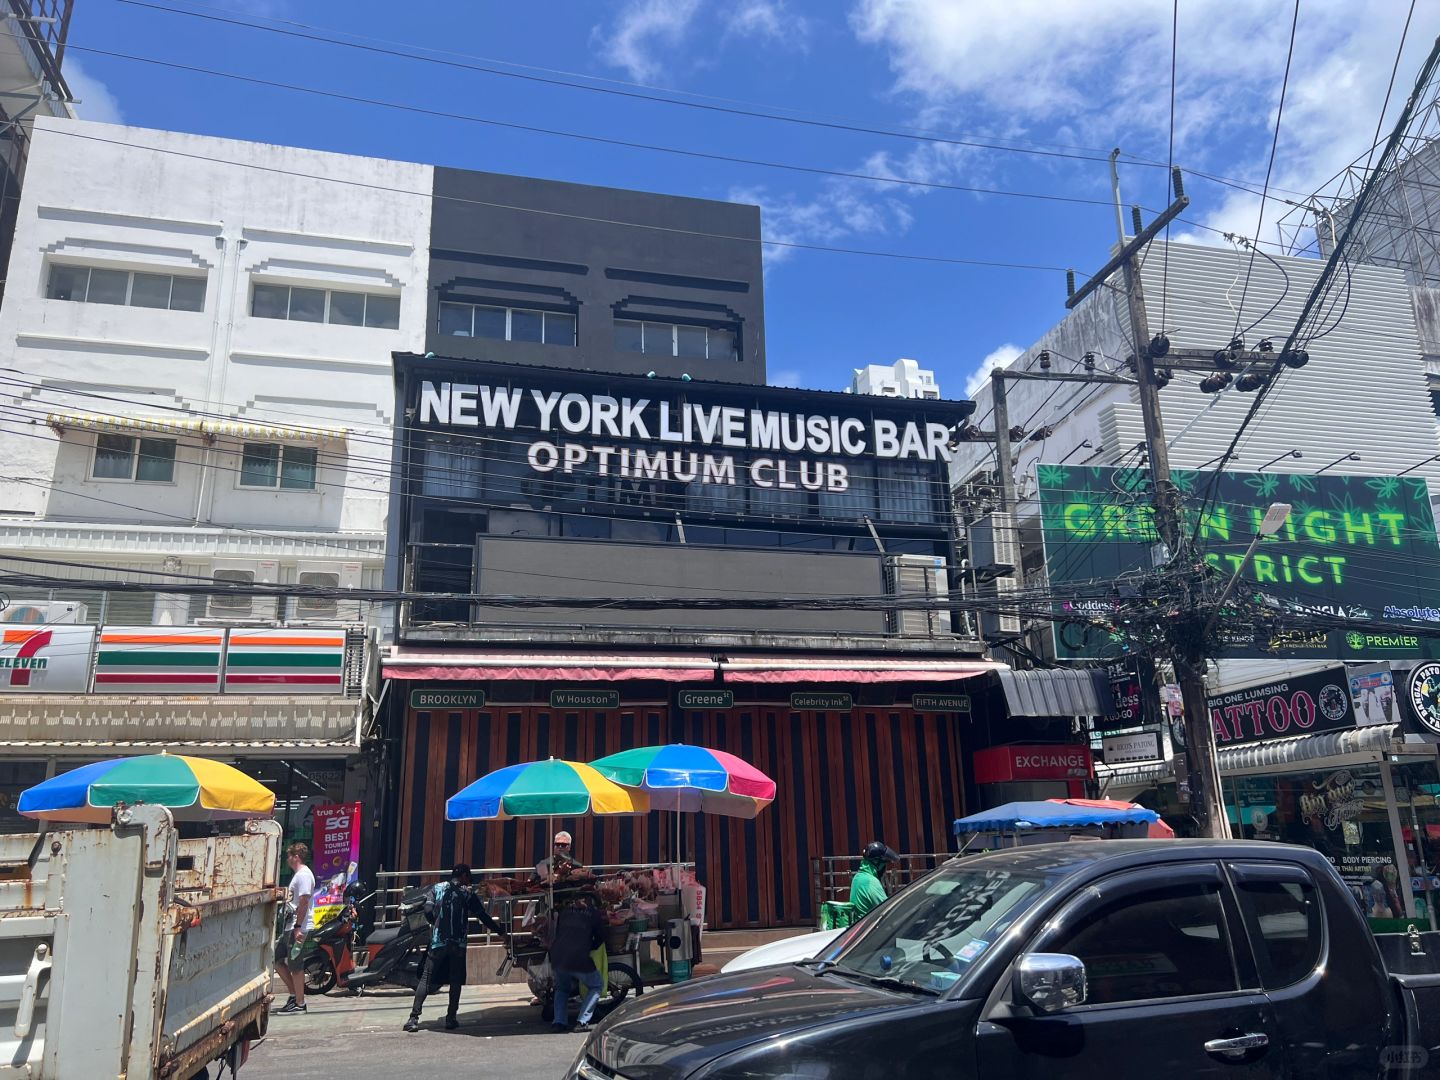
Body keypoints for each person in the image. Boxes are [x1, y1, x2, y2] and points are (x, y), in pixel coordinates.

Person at [404, 864, 508, 1033]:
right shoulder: (467, 894)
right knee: (455, 980)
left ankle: (413, 1018)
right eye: (469, 877)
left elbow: (427, 909)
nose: (469, 881)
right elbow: (483, 916)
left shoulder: (436, 888)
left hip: (438, 941)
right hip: (458, 944)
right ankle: (451, 1018)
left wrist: (434, 924)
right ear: (464, 876)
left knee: (426, 978)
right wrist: (500, 932)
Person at [549, 891, 606, 1034]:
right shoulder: (594, 914)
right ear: (592, 902)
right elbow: (600, 937)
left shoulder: (565, 912)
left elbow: (559, 932)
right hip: (579, 957)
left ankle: (559, 1022)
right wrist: (590, 946)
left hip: (558, 955)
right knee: (596, 985)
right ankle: (582, 1021)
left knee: (562, 989)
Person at [275, 842, 317, 1015]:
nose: (287, 859)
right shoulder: (298, 875)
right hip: (290, 926)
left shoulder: (304, 875)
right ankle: (294, 996)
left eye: (289, 856)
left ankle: (300, 1003)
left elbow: (304, 901)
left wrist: (298, 927)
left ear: (296, 857)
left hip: (297, 927)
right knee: (277, 960)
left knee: (295, 966)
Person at [849, 841, 899, 918]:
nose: (885, 867)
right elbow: (888, 910)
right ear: (876, 862)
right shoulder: (870, 882)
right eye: (884, 863)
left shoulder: (858, 877)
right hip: (869, 927)